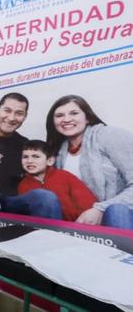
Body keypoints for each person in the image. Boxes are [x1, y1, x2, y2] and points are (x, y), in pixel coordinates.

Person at [46, 95, 133, 229]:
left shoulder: (109, 135)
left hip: (121, 215)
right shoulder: (57, 152)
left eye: (74, 113)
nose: (66, 119)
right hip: (84, 222)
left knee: (116, 210)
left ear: (87, 118)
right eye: (59, 115)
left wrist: (101, 209)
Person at [18, 140, 96, 222]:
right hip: (45, 227)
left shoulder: (65, 176)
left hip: (76, 226)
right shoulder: (23, 185)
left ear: (50, 161)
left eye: (36, 156)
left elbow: (87, 202)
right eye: (25, 157)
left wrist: (80, 224)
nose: (29, 161)